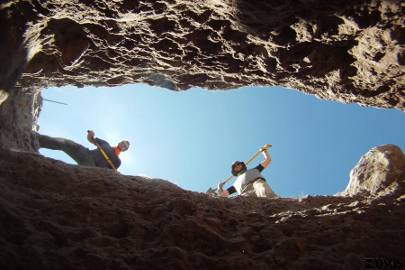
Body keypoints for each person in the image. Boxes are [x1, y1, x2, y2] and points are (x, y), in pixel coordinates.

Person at [38, 130, 130, 170]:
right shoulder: (106, 144)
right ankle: (37, 140)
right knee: (66, 143)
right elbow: (91, 140)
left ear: (125, 150)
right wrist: (90, 135)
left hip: (93, 167)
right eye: (123, 143)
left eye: (125, 146)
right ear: (119, 142)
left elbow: (109, 173)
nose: (123, 145)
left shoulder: (118, 161)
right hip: (87, 154)